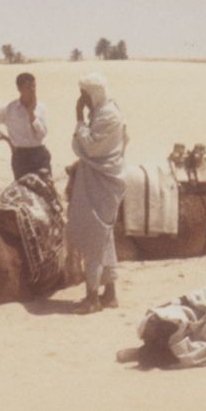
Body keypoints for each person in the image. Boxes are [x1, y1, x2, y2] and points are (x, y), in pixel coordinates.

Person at [68, 77, 131, 309]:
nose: (81, 98)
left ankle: (92, 297)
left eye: (84, 93)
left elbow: (92, 147)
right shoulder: (102, 111)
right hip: (99, 177)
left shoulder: (107, 115)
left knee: (94, 234)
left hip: (103, 181)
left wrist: (78, 118)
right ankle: (110, 294)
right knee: (104, 236)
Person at [0, 72, 51, 187]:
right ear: (19, 89)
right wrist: (7, 140)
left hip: (40, 154)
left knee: (47, 188)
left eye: (34, 86)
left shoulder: (41, 108)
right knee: (23, 191)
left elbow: (42, 134)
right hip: (21, 156)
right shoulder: (9, 108)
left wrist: (31, 114)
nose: (33, 90)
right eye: (28, 87)